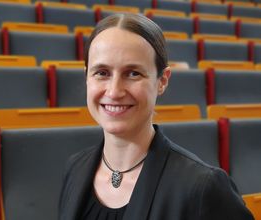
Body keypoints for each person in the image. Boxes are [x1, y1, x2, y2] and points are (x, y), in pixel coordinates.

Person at [58, 13, 254, 220]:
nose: (114, 92)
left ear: (162, 81)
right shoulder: (75, 168)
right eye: (102, 73)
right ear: (87, 77)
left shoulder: (203, 187)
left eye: (133, 73)